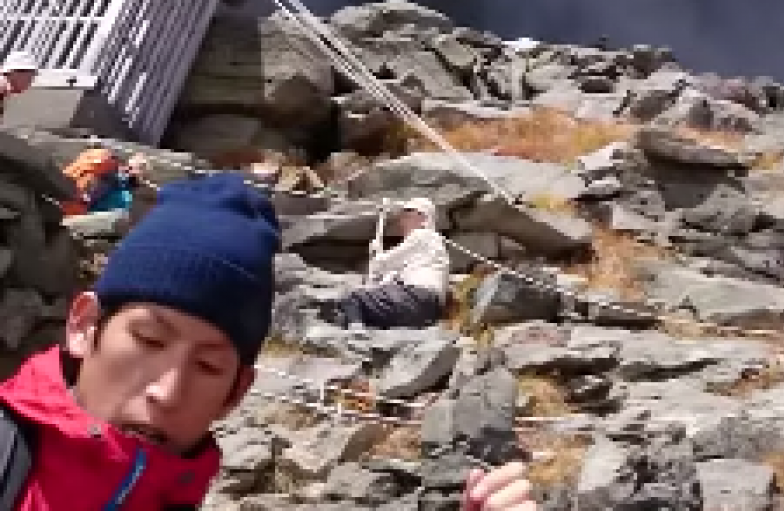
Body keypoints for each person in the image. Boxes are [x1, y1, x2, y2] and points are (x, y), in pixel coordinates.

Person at [0, 174, 535, 511]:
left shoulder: (426, 244)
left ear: (236, 393)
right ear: (83, 325)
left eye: (208, 367)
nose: (166, 391)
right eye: (147, 338)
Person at [329, 196, 451, 330]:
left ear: (423, 218)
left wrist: (377, 253)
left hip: (415, 297)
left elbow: (384, 262)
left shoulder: (422, 235)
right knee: (360, 306)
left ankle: (356, 332)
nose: (402, 222)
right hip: (427, 310)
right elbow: (387, 277)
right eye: (402, 217)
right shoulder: (428, 250)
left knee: (352, 298)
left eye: (407, 216)